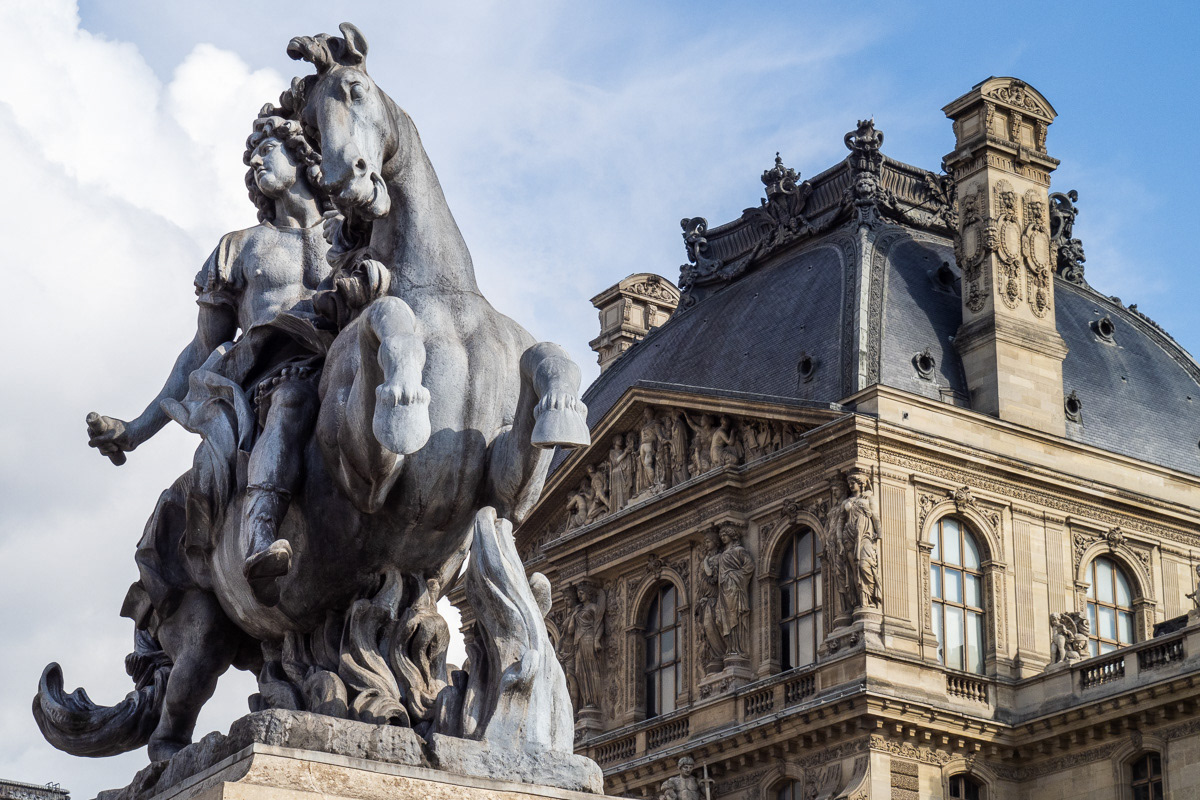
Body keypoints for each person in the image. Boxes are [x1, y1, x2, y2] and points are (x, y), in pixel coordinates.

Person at [86, 112, 333, 605]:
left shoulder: (352, 231)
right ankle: (259, 535)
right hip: (268, 381)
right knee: (292, 400)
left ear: (303, 156)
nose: (257, 160)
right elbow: (200, 352)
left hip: (343, 365)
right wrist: (136, 430)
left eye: (268, 148)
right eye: (252, 155)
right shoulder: (239, 248)